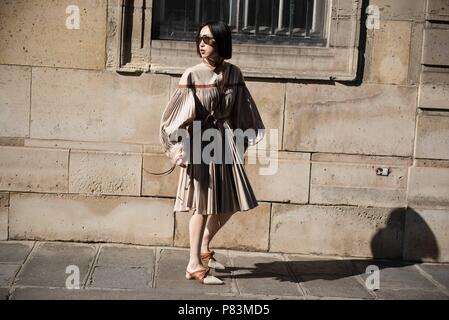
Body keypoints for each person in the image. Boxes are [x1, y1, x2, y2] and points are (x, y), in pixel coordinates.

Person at [159, 20, 265, 285]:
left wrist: (240, 143)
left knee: (231, 202)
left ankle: (205, 245)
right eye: (200, 39)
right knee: (202, 205)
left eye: (208, 40)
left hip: (225, 144)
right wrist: (178, 150)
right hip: (200, 144)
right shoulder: (192, 75)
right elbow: (172, 120)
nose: (202, 44)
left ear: (221, 43)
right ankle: (194, 264)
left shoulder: (234, 74)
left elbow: (243, 112)